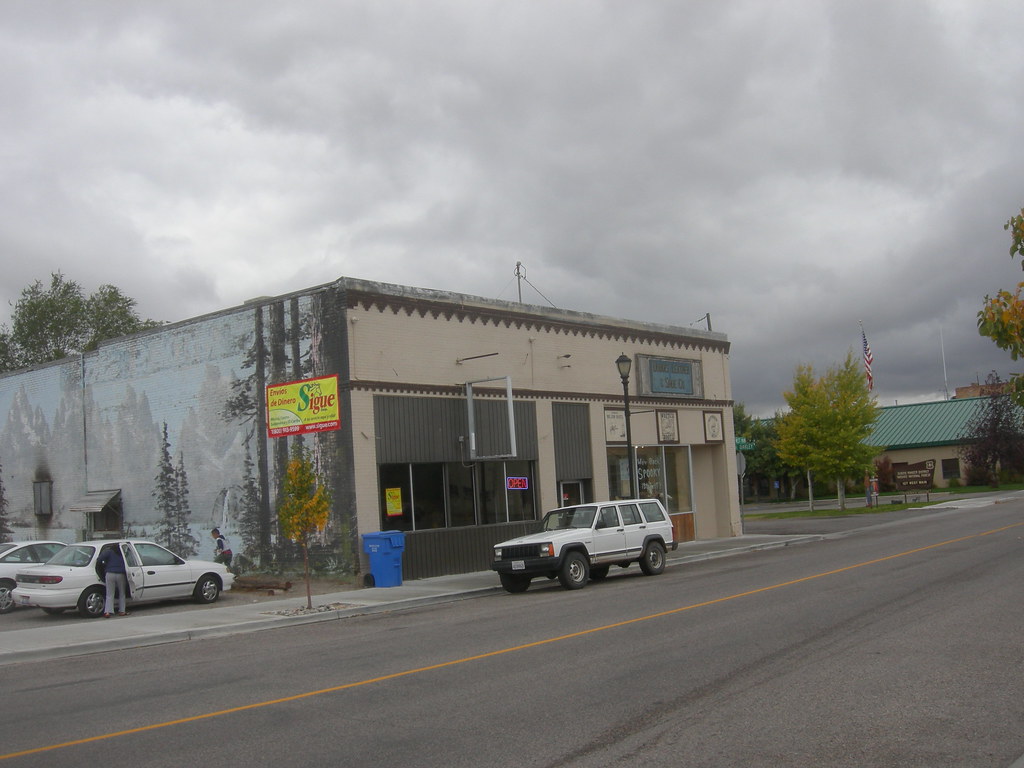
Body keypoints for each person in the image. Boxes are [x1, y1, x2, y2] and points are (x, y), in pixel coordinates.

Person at [97, 543, 129, 618]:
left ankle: (108, 612)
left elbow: (100, 559)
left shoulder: (109, 552)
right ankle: (122, 611)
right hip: (121, 574)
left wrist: (104, 564)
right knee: (122, 593)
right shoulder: (123, 553)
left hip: (110, 573)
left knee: (109, 593)